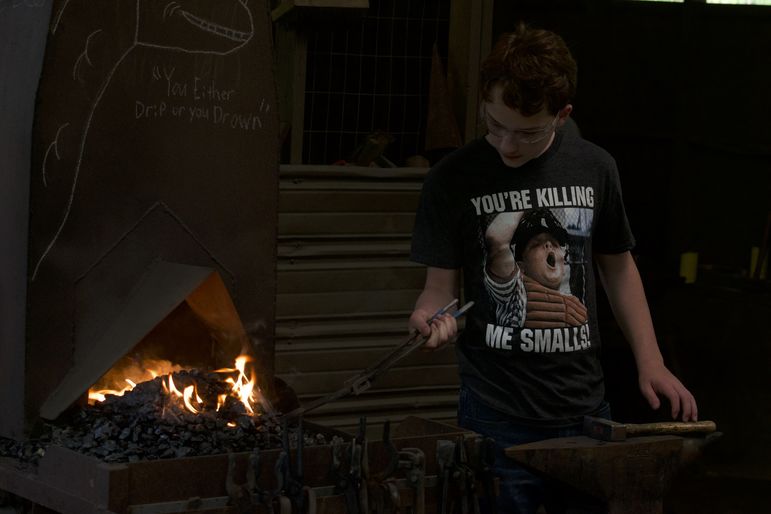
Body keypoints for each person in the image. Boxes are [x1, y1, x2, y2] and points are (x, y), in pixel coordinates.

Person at [408, 23, 698, 514]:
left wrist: (650, 360)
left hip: (585, 409)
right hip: (495, 414)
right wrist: (429, 316)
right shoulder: (451, 179)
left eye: (527, 132)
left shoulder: (595, 167)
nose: (507, 145)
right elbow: (438, 288)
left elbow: (618, 268)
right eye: (494, 125)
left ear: (562, 116)